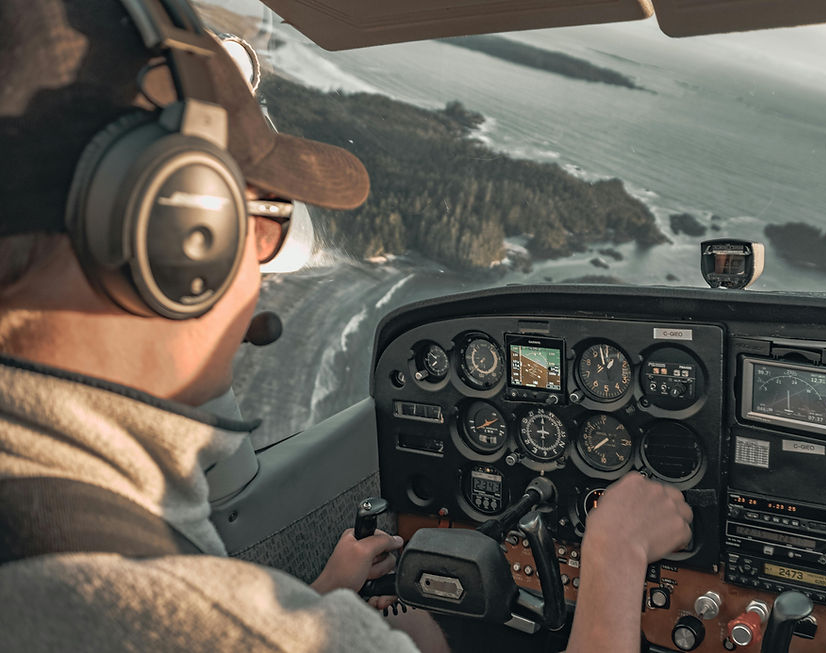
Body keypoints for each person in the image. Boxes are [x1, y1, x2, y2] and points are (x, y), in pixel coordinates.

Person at [0, 0, 692, 651]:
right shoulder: (185, 617)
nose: (263, 278)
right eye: (263, 227)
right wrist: (615, 555)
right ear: (182, 235)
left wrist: (318, 597)